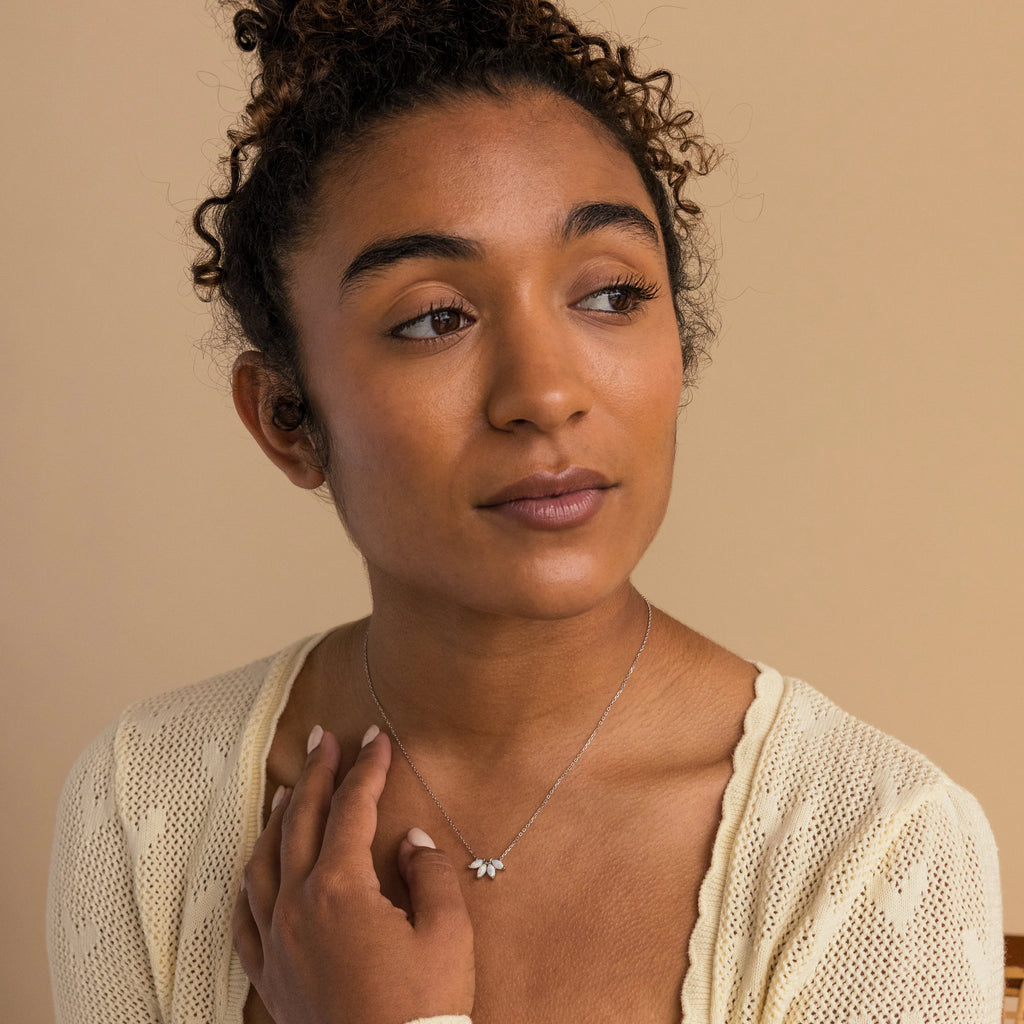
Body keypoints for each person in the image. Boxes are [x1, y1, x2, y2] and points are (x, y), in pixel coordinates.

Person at [46, 1, 1003, 1022]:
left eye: (607, 295)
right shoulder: (146, 803)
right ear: (287, 418)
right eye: (434, 317)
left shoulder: (873, 844)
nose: (546, 392)